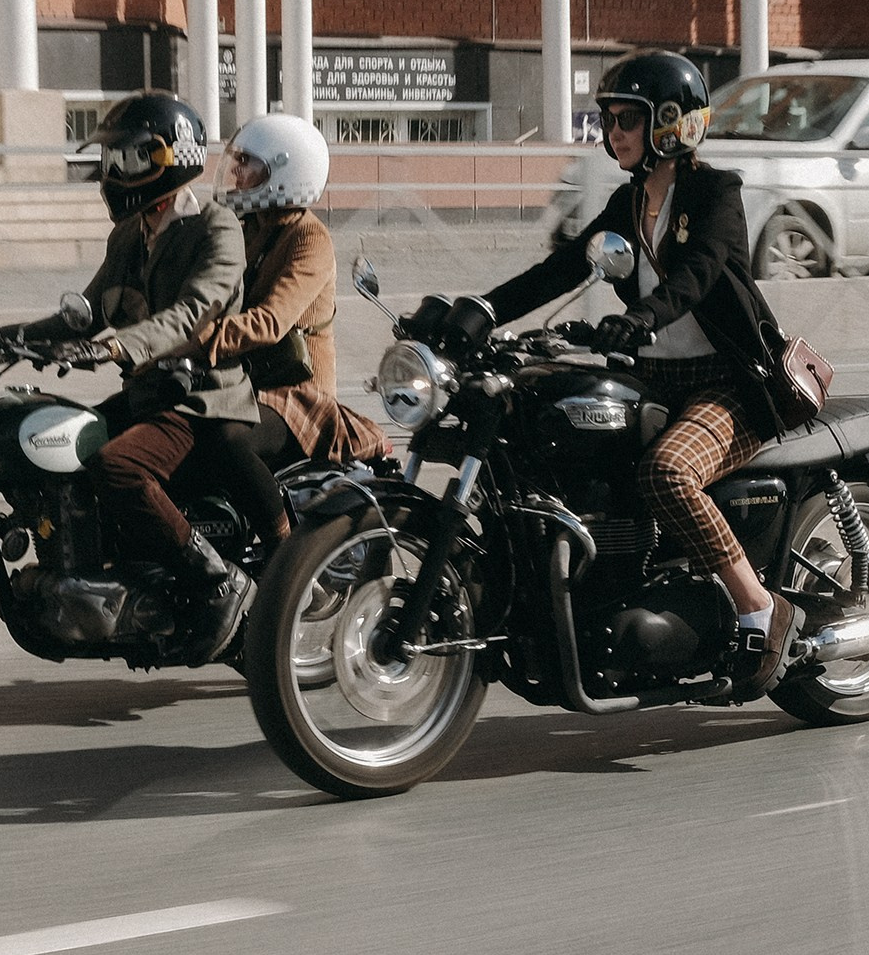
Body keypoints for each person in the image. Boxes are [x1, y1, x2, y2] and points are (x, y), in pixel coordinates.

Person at [421, 51, 799, 700]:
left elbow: (701, 271)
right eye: (608, 119)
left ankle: (761, 610)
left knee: (666, 473)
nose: (612, 133)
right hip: (655, 380)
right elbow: (563, 268)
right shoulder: (628, 205)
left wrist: (643, 316)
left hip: (728, 384)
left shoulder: (716, 193)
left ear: (672, 124)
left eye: (627, 118)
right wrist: (479, 312)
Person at [24, 91, 255, 664]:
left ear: (169, 160)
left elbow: (192, 312)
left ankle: (215, 577)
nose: (114, 174)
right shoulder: (129, 235)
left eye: (128, 160)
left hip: (203, 397)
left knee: (118, 465)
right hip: (150, 392)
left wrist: (122, 345)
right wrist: (6, 338)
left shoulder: (216, 229)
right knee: (62, 442)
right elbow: (88, 308)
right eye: (111, 162)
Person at [192, 114, 388, 554]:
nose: (238, 173)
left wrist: (199, 339)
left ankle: (287, 552)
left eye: (249, 164)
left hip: (298, 395)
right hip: (246, 381)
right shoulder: (249, 228)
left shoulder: (309, 237)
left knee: (226, 436)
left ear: (285, 173)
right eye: (238, 162)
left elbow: (270, 322)